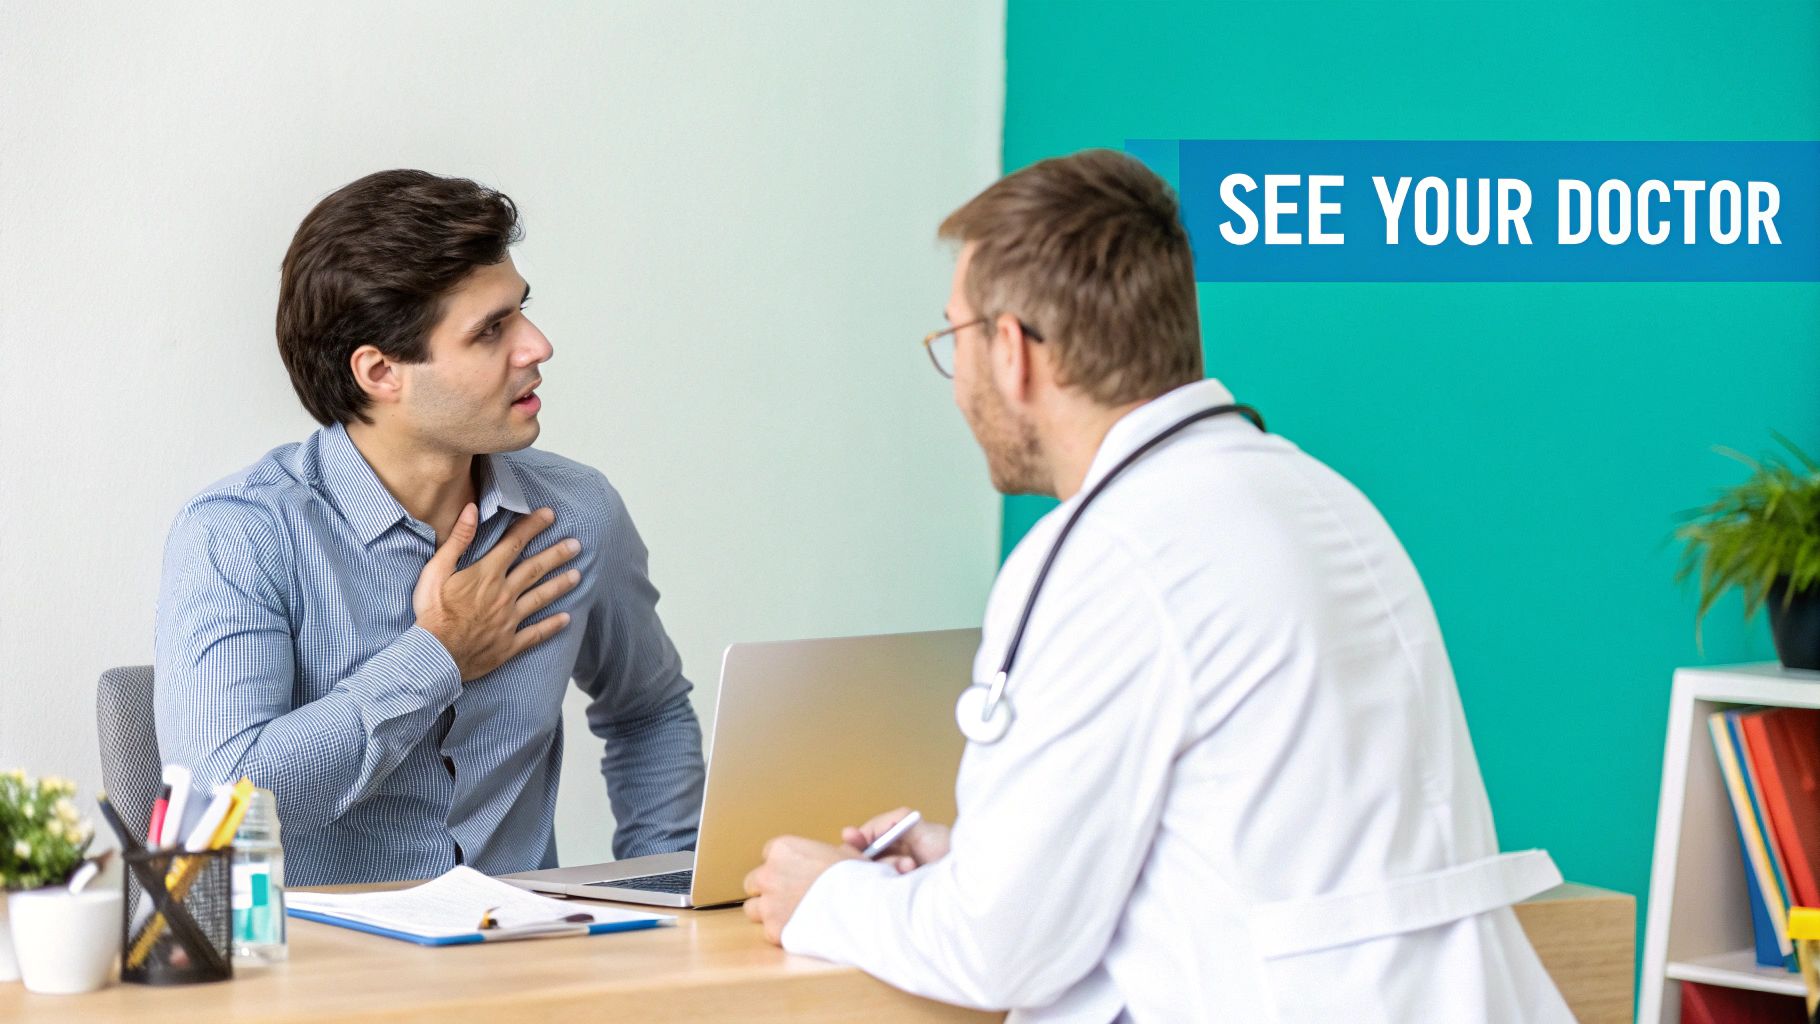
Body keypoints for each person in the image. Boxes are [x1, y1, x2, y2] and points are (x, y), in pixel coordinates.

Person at [741, 150, 1573, 1022]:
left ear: (1013, 349)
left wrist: (831, 897)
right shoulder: (1321, 498)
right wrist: (977, 859)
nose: (958, 389)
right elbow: (1269, 843)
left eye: (956, 339)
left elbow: (1000, 953)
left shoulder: (1109, 552)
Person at [154, 170, 704, 886]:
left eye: (521, 311)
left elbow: (649, 711)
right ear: (381, 372)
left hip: (524, 969)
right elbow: (214, 807)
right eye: (490, 331)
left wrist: (663, 901)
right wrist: (436, 656)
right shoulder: (239, 536)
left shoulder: (576, 513)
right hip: (318, 980)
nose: (537, 346)